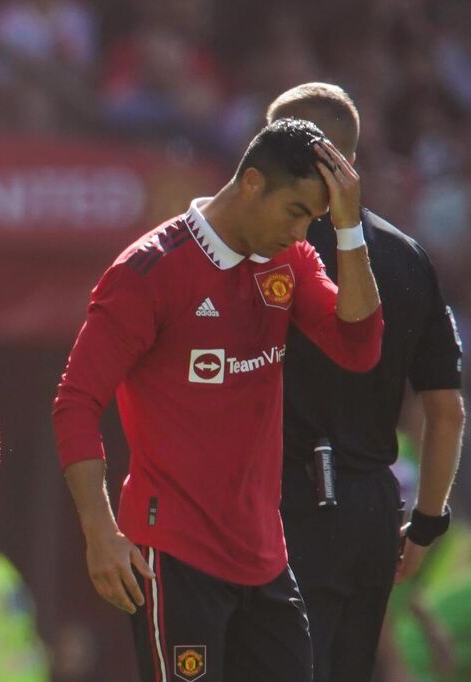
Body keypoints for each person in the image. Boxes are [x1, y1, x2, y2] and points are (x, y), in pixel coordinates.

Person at [52, 118, 384, 682]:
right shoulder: (147, 270)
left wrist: (349, 229)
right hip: (175, 555)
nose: (303, 232)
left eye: (314, 219)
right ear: (252, 183)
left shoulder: (291, 260)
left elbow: (358, 346)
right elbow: (76, 402)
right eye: (296, 212)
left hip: (264, 557)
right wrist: (100, 532)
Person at [269, 83, 465, 682]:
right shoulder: (410, 256)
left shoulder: (267, 252)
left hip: (281, 507)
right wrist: (426, 524)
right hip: (374, 514)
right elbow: (449, 412)